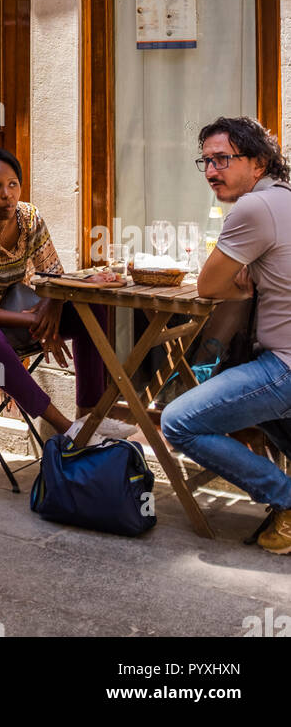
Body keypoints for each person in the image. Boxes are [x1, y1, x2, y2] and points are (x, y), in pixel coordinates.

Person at [0, 148, 134, 441]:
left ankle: (89, 418)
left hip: (14, 316)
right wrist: (36, 321)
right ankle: (68, 430)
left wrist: (52, 309)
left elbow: (55, 277)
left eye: (13, 184)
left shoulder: (28, 217)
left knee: (92, 310)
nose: (7, 194)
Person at [161, 116, 291, 554]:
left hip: (285, 366)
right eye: (206, 161)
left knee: (177, 421)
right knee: (246, 388)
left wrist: (239, 275)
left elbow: (209, 287)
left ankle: (287, 500)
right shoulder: (283, 198)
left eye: (223, 159)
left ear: (257, 163)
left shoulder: (253, 208)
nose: (212, 171)